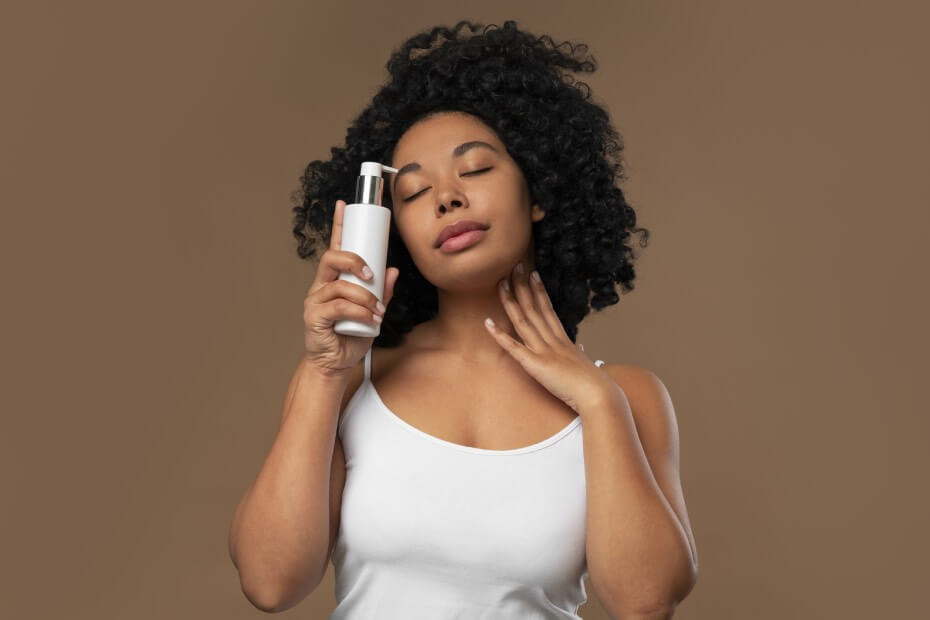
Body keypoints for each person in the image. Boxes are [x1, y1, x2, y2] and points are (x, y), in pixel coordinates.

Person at [229, 19, 697, 618]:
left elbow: (645, 603)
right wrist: (323, 372)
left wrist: (596, 401)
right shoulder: (345, 381)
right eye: (415, 194)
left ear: (539, 191)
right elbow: (269, 583)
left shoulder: (625, 398)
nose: (447, 198)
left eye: (474, 170)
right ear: (395, 232)